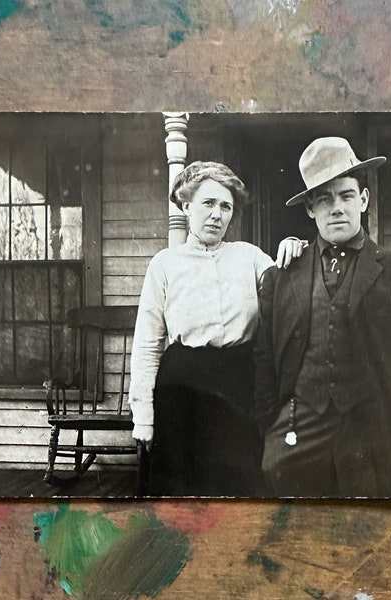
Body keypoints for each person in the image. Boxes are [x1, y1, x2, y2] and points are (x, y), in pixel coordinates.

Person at [254, 137, 391, 498]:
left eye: (346, 195)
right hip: (298, 443)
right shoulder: (282, 276)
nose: (336, 207)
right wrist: (271, 435)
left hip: (373, 444)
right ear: (310, 208)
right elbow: (264, 360)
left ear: (364, 200)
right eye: (324, 198)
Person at [129, 161, 303, 496]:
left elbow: (289, 291)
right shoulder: (165, 265)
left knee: (240, 486)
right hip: (182, 390)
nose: (216, 215)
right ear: (186, 205)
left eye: (226, 206)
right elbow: (148, 344)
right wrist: (143, 416)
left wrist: (295, 248)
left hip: (238, 386)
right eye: (208, 203)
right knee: (181, 495)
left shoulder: (250, 257)